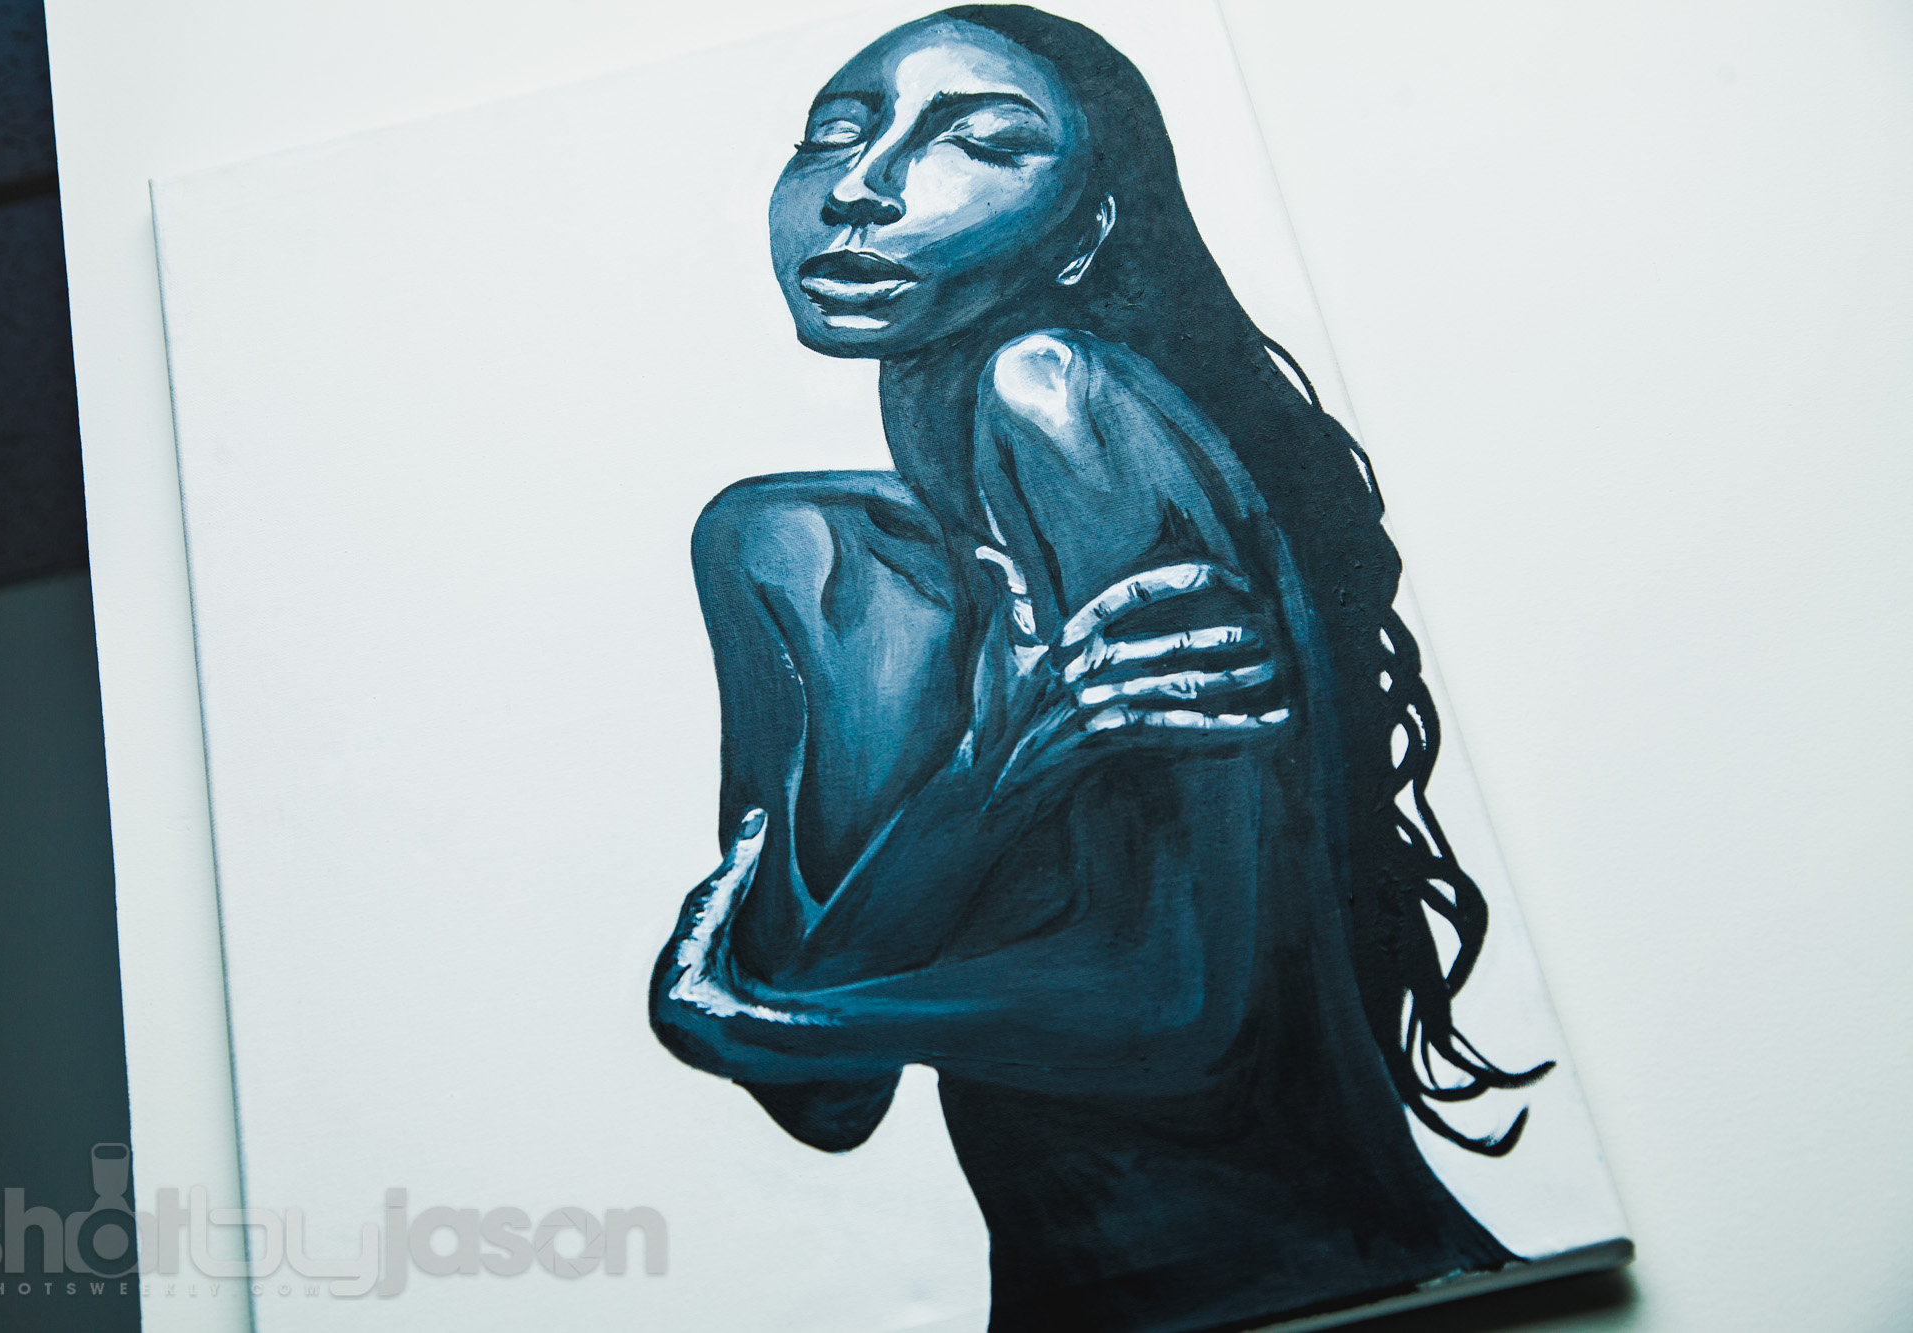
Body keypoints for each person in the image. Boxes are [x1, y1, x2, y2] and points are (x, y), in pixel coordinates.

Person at [651, 8, 1548, 1329]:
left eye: (978, 142)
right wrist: (988, 782)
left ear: (1086, 232)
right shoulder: (791, 548)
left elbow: (1188, 1014)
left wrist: (747, 1020)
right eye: (834, 134)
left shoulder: (1059, 398)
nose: (860, 184)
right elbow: (826, 1097)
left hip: (1351, 1284)